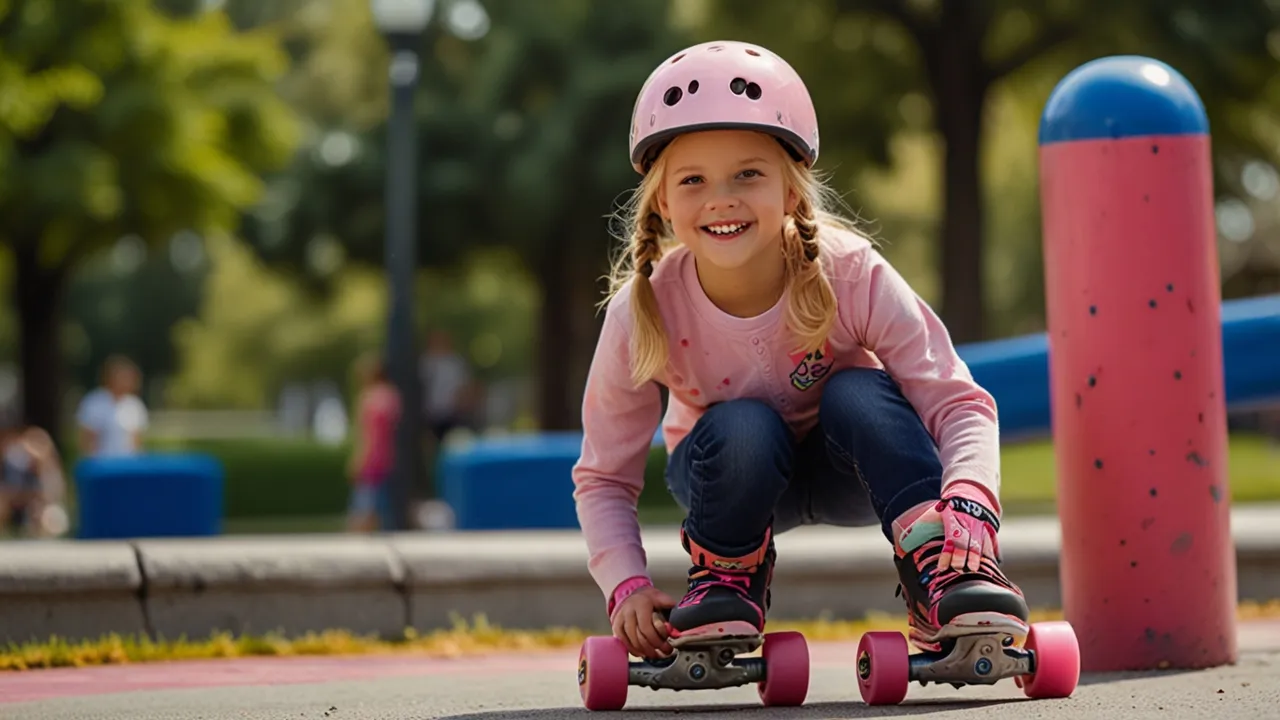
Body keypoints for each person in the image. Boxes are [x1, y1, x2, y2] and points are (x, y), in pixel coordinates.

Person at [571, 41, 1027, 661]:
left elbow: (956, 400)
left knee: (857, 390)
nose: (721, 198)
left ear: (790, 190)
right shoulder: (644, 308)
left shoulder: (848, 271)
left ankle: (941, 570)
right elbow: (603, 476)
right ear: (663, 203)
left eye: (748, 174)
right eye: (693, 180)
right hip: (727, 478)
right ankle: (726, 576)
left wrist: (971, 502)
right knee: (743, 424)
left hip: (857, 471)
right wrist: (625, 584)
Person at [347, 352, 401, 532]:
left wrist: (358, 460)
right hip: (388, 457)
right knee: (383, 507)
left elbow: (367, 434)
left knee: (362, 506)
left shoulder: (368, 398)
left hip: (371, 459)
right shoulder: (392, 396)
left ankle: (357, 537)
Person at [76, 355, 149, 457]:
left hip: (127, 463)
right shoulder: (94, 402)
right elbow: (87, 440)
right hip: (101, 463)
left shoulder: (135, 405)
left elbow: (136, 442)